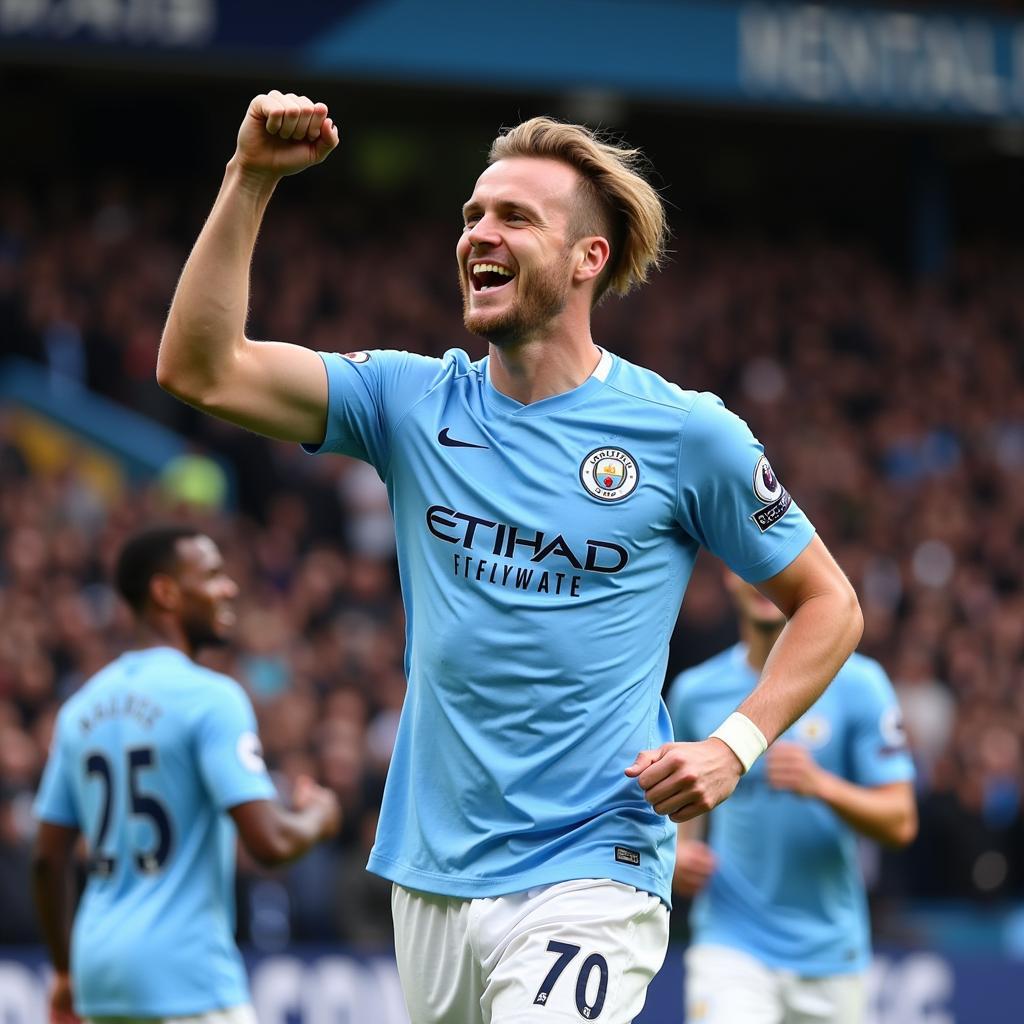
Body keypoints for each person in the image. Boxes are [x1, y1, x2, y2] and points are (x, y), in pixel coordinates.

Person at [156, 91, 864, 1023]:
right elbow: (201, 367)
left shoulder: (686, 433)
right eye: (472, 215)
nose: (478, 233)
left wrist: (736, 747)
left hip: (593, 862)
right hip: (432, 866)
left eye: (514, 217)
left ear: (587, 260)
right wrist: (248, 178)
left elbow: (830, 604)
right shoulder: (408, 402)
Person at [31, 526, 340, 1024]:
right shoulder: (210, 698)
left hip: (100, 975)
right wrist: (319, 817)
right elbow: (271, 842)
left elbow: (47, 860)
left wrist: (66, 973)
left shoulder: (80, 710)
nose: (229, 588)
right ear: (166, 592)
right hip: (187, 977)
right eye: (213, 575)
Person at [666, 572, 917, 1024]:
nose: (765, 581)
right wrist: (677, 855)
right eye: (751, 565)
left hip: (829, 952)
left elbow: (900, 821)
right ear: (728, 575)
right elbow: (680, 815)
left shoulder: (860, 684)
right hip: (729, 940)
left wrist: (821, 786)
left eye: (778, 567)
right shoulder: (695, 693)